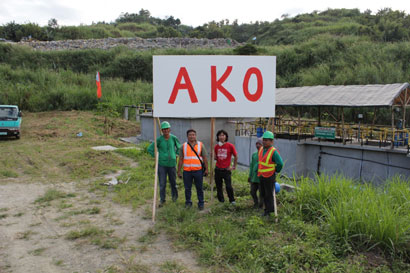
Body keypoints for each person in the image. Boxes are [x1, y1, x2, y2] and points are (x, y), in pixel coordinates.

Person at [147, 121, 181, 207]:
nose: (165, 131)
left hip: (172, 164)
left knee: (173, 182)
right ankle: (162, 200)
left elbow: (179, 147)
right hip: (162, 164)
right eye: (164, 129)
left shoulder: (173, 138)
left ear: (170, 129)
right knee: (162, 183)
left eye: (167, 129)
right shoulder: (159, 139)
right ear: (161, 130)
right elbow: (150, 149)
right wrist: (157, 155)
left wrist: (176, 154)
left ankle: (175, 198)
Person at [177, 129, 209, 210]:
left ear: (196, 136)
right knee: (187, 188)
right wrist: (179, 171)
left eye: (193, 134)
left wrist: (207, 169)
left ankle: (201, 203)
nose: (192, 136)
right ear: (187, 136)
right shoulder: (183, 146)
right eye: (190, 135)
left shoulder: (201, 145)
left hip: (198, 170)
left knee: (199, 188)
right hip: (187, 171)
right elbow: (180, 159)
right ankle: (188, 203)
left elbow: (205, 158)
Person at [258, 131, 283, 217]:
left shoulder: (273, 152)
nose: (264, 141)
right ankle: (266, 209)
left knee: (269, 194)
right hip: (262, 176)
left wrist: (276, 170)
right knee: (263, 193)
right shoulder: (261, 149)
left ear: (271, 141)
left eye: (266, 140)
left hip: (269, 176)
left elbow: (280, 163)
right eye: (263, 140)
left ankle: (269, 211)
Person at [214, 130, 238, 204]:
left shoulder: (230, 146)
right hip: (218, 169)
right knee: (218, 186)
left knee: (228, 186)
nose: (222, 137)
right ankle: (221, 200)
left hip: (226, 170)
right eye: (220, 135)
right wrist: (213, 155)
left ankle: (232, 200)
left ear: (226, 137)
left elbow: (236, 156)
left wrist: (233, 166)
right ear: (218, 137)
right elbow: (215, 158)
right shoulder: (216, 146)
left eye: (223, 135)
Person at [248, 138, 264, 209]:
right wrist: (250, 176)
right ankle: (256, 203)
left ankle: (261, 206)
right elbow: (251, 166)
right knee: (252, 191)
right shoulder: (254, 155)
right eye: (257, 144)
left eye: (259, 144)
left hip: (261, 177)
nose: (258, 145)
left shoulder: (264, 155)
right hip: (254, 177)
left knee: (261, 193)